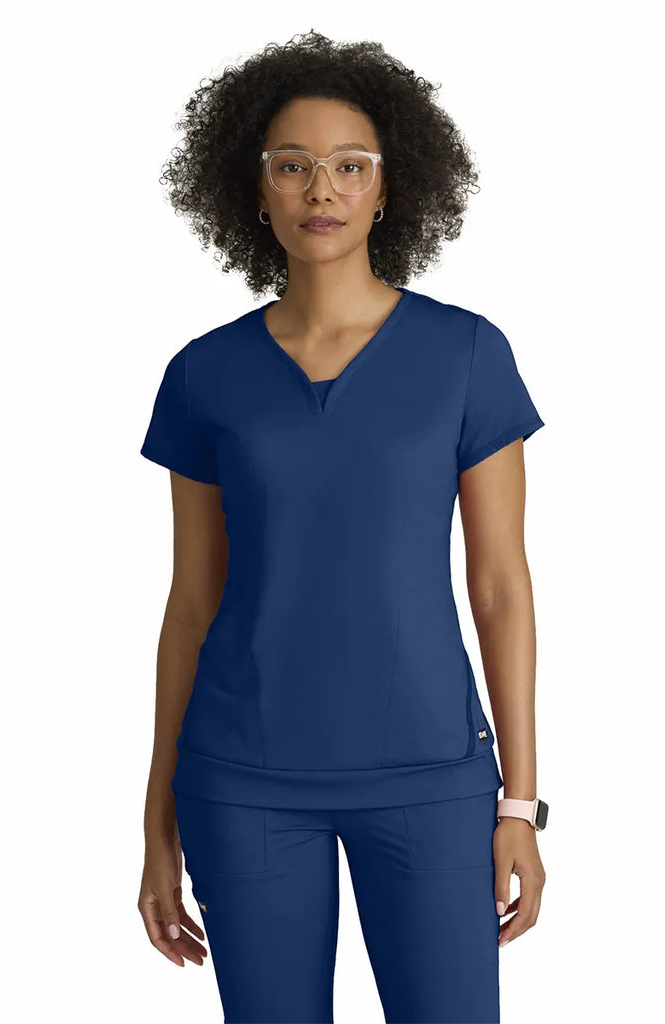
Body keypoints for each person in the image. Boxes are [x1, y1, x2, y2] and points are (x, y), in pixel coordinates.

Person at [137, 29, 548, 1024]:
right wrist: (156, 821)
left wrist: (518, 802)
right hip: (241, 781)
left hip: (433, 780)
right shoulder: (204, 373)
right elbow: (192, 604)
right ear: (255, 188)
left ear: (386, 186)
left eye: (348, 166)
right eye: (291, 165)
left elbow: (499, 586)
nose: (319, 189)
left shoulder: (465, 356)